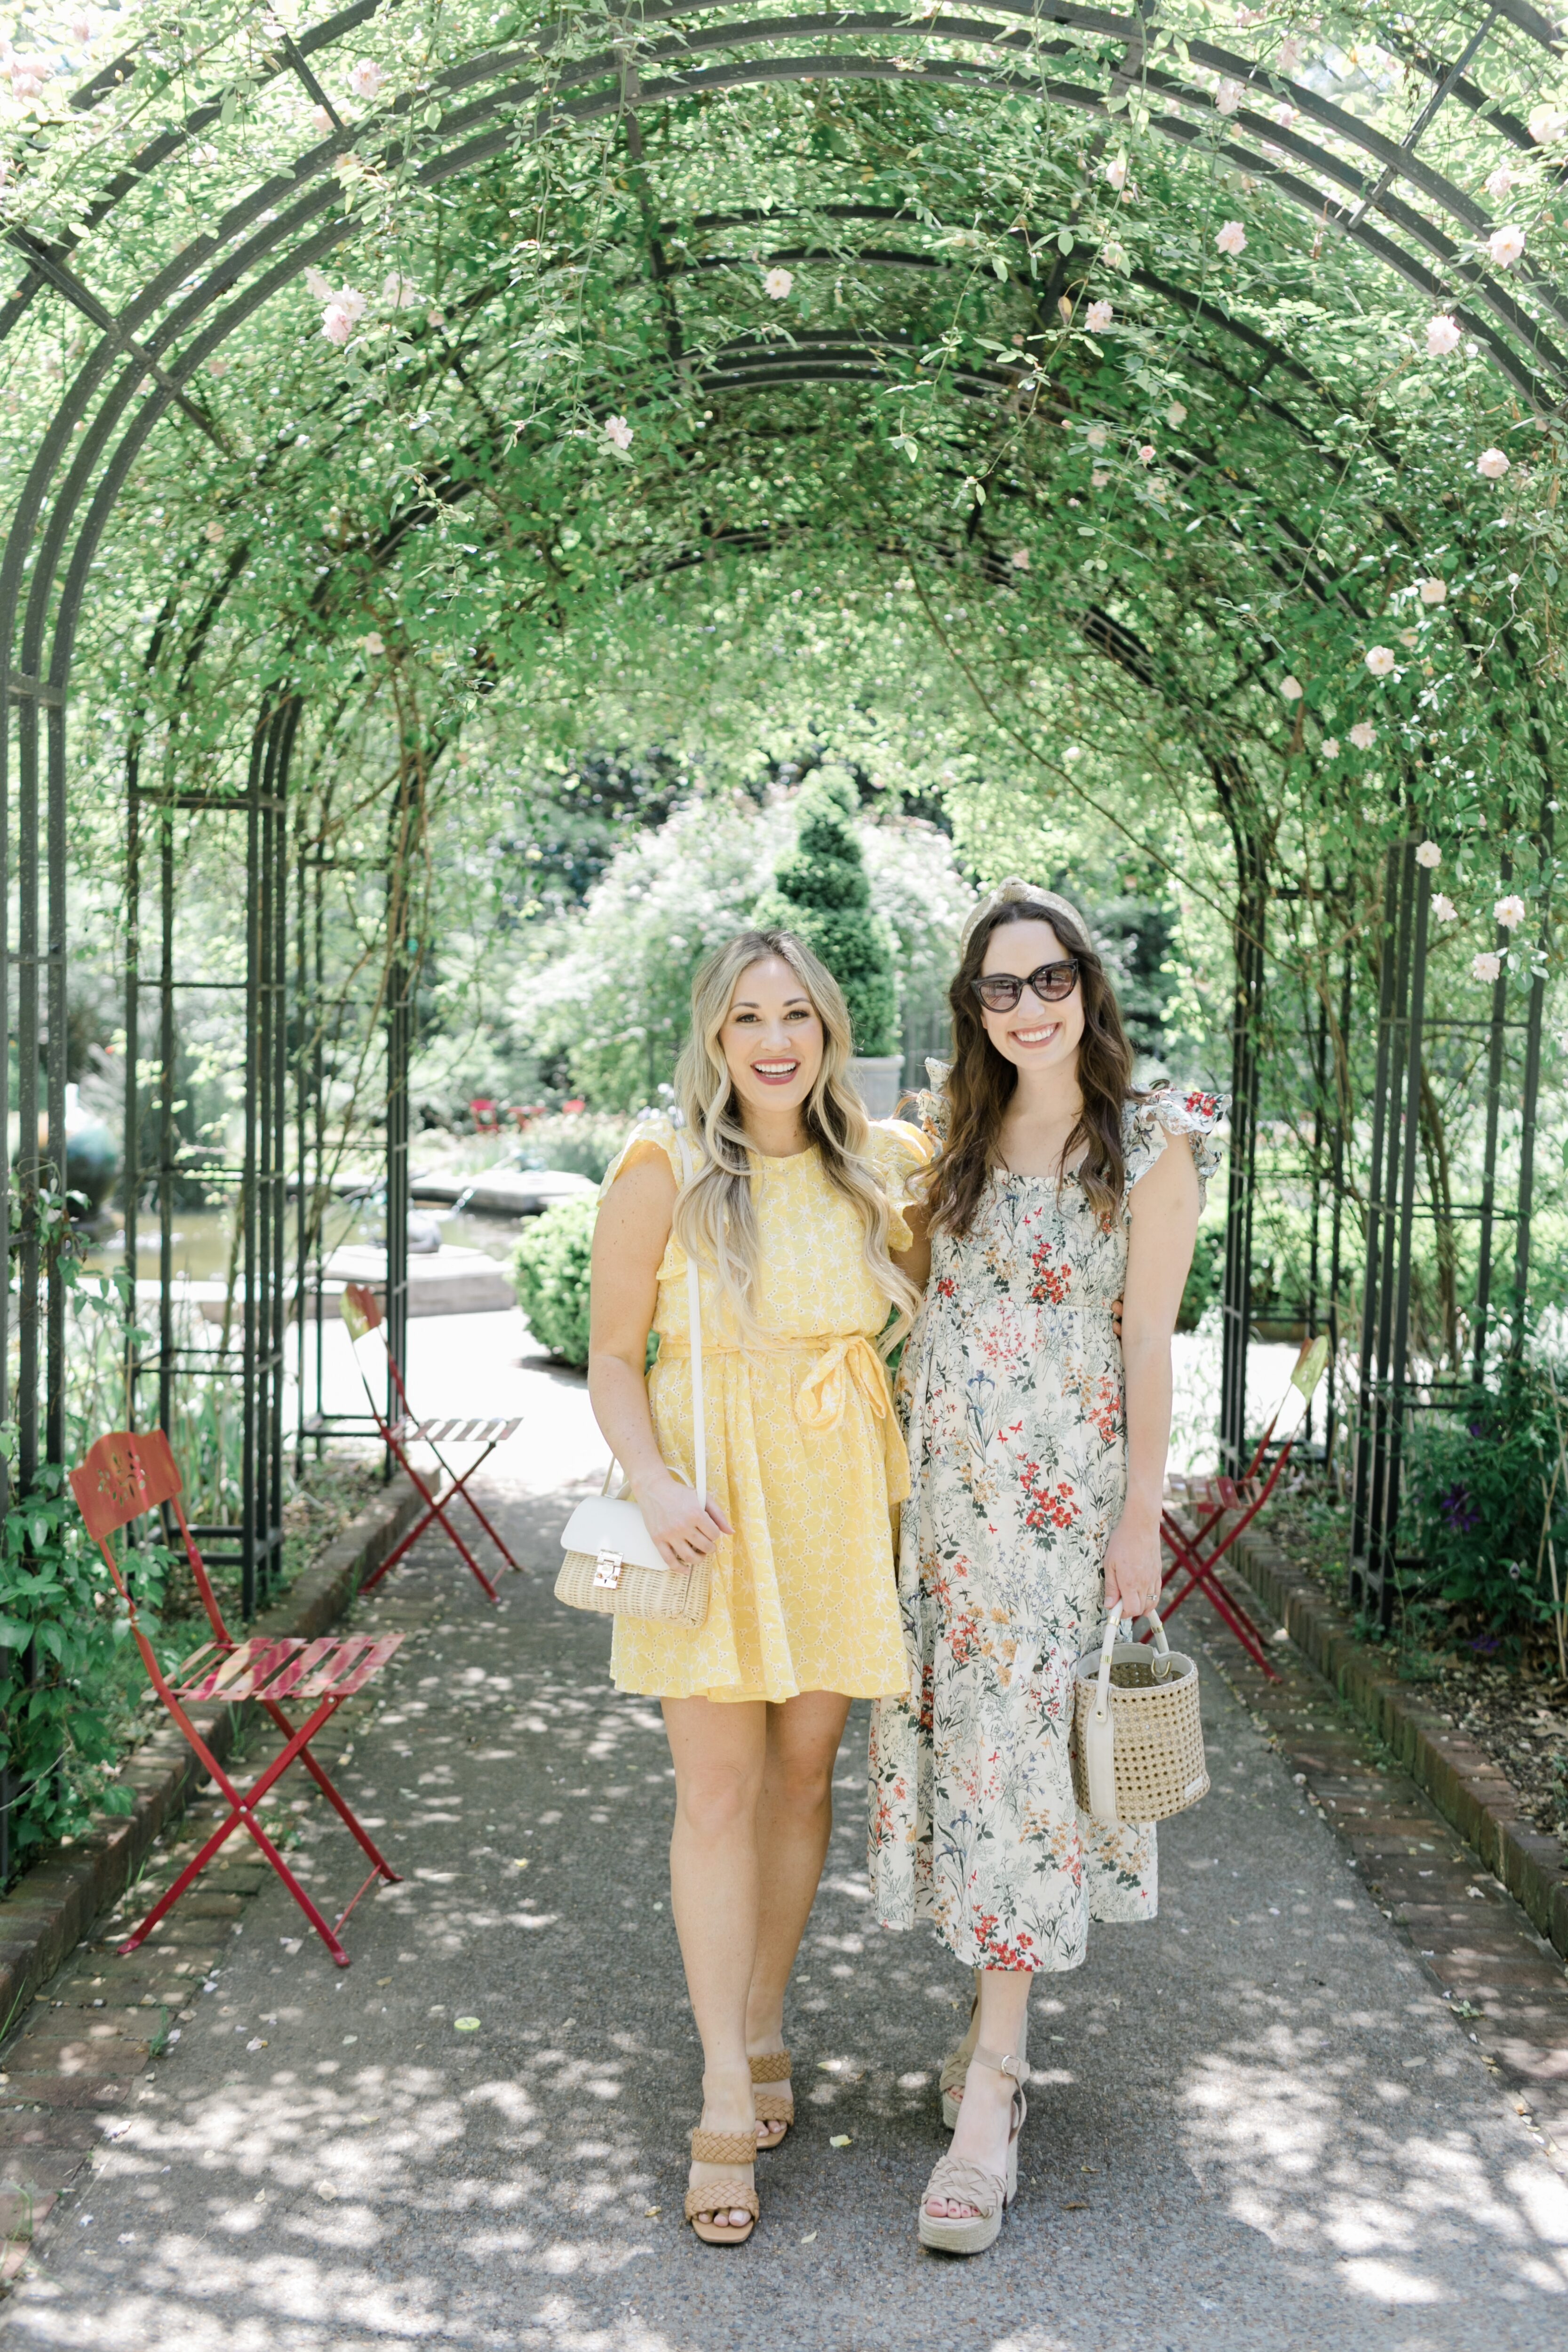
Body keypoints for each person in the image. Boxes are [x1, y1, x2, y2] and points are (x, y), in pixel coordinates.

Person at [867, 878, 1223, 2254]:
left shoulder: (1149, 1141)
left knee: (1024, 1774)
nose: (1028, 1008)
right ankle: (988, 2036)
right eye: (1000, 988)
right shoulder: (947, 1138)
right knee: (978, 1768)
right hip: (948, 1518)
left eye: (1050, 980)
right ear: (975, 1006)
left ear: (1089, 984)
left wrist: (1144, 1515)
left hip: (1065, 1518)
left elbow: (1149, 1344)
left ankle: (994, 2098)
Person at [588, 928, 931, 2246]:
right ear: (715, 1038)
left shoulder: (880, 1169)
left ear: (829, 1032)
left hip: (838, 1500)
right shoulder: (660, 1172)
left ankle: (767, 2013)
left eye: (798, 1015)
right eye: (749, 1019)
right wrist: (654, 1484)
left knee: (806, 1775)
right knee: (717, 1790)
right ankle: (724, 2085)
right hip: (708, 1512)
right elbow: (615, 1357)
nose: (776, 1040)